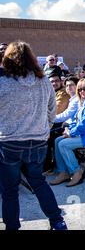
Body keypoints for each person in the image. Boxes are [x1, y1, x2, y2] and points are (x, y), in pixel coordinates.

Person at [0, 41, 67, 230]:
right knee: (39, 183)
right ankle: (57, 221)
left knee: (10, 191)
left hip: (9, 142)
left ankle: (12, 227)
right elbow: (52, 111)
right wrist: (44, 128)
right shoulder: (44, 81)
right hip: (37, 142)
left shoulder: (2, 81)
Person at [50, 79, 85, 187]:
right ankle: (63, 172)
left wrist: (71, 133)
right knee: (57, 140)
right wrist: (69, 129)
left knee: (63, 144)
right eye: (79, 89)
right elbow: (77, 121)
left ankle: (76, 171)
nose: (82, 91)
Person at [43, 75, 80, 174]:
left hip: (74, 129)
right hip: (68, 126)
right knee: (54, 139)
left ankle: (70, 171)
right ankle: (61, 170)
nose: (69, 88)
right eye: (67, 85)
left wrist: (49, 118)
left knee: (50, 137)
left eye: (72, 85)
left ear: (78, 86)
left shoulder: (76, 99)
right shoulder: (72, 98)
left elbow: (65, 114)